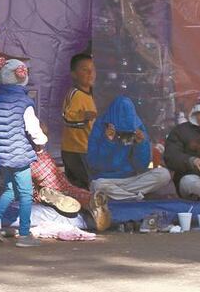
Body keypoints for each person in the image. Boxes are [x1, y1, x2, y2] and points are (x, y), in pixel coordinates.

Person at [0, 59, 46, 247]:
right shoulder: (25, 103)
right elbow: (33, 129)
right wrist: (41, 143)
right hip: (20, 155)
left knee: (10, 189)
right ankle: (24, 234)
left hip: (2, 155)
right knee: (26, 194)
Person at [87, 96, 174, 201]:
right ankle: (133, 197)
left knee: (164, 174)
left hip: (132, 179)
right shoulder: (100, 127)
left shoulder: (136, 127)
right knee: (97, 185)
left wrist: (140, 144)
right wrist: (108, 142)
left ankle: (121, 195)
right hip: (107, 179)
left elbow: (141, 167)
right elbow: (94, 164)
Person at [61, 53, 97, 188]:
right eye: (85, 69)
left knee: (86, 185)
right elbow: (66, 117)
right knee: (83, 185)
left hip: (86, 148)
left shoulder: (90, 95)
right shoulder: (75, 94)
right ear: (74, 74)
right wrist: (83, 116)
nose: (90, 73)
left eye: (92, 69)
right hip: (75, 150)